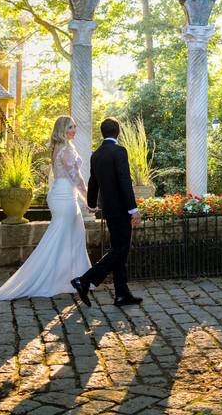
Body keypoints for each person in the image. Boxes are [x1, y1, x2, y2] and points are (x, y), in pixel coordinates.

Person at [0, 116, 91, 304]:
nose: (74, 130)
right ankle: (56, 278)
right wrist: (88, 199)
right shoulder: (66, 150)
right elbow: (75, 177)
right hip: (64, 197)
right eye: (70, 127)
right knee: (61, 237)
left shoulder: (58, 148)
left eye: (75, 127)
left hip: (61, 195)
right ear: (62, 129)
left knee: (72, 235)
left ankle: (75, 277)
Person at [71, 117, 143, 308]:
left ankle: (121, 294)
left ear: (103, 133)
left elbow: (93, 182)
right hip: (121, 210)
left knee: (118, 250)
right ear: (117, 132)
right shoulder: (119, 151)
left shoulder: (96, 154)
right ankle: (84, 280)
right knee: (120, 249)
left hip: (109, 211)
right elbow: (124, 181)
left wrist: (92, 203)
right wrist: (133, 210)